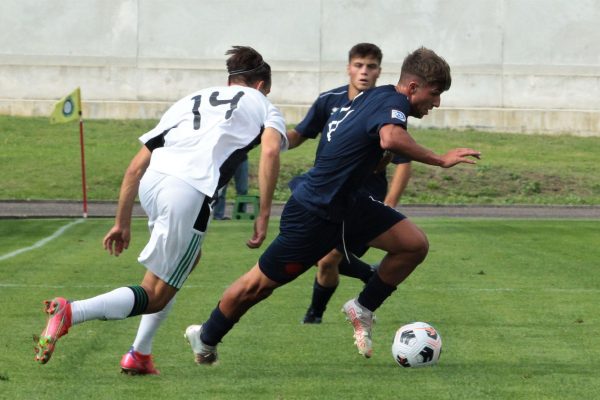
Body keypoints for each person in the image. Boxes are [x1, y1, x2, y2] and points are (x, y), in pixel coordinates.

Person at [184, 46, 480, 363]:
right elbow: (390, 139)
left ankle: (362, 307)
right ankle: (206, 336)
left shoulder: (378, 96)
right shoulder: (392, 103)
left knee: (413, 245)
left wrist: (372, 161)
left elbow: (370, 141)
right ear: (412, 88)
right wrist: (440, 158)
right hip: (315, 211)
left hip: (349, 204)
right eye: (435, 94)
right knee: (257, 287)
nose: (436, 103)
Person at [33, 46, 288, 374]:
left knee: (185, 261)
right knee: (155, 293)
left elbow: (137, 163)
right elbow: (270, 153)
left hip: (154, 181)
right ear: (261, 85)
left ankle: (140, 353)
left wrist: (121, 221)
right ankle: (71, 312)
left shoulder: (192, 99)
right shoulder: (264, 104)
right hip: (189, 190)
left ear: (230, 81)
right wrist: (264, 213)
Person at [287, 43, 412, 324]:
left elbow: (403, 162)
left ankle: (316, 315)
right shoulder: (329, 101)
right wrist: (272, 138)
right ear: (348, 68)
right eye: (358, 65)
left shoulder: (386, 107)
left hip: (366, 195)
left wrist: (390, 204)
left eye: (370, 66)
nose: (364, 72)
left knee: (329, 257)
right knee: (325, 258)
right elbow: (299, 134)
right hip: (328, 192)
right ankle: (323, 309)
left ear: (379, 70)